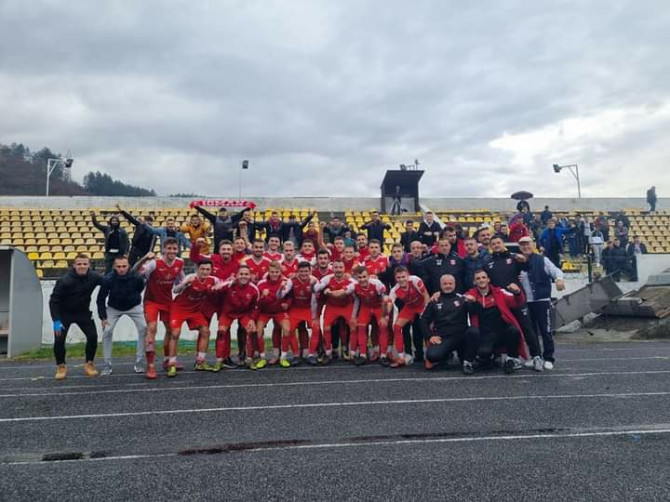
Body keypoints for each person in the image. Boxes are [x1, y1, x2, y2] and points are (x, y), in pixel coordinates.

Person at [134, 238, 185, 379]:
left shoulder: (180, 263)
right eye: (169, 248)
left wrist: (183, 287)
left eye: (174, 248)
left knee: (172, 330)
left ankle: (167, 360)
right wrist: (144, 258)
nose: (172, 251)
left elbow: (181, 281)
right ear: (163, 250)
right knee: (152, 329)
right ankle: (150, 366)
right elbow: (135, 271)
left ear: (177, 250)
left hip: (168, 301)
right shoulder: (154, 263)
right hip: (152, 302)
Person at [49, 254, 103, 380]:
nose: (82, 266)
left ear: (89, 265)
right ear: (74, 265)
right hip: (64, 314)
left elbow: (109, 282)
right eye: (79, 264)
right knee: (59, 340)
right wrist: (56, 321)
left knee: (93, 336)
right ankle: (61, 366)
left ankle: (89, 364)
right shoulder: (64, 280)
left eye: (85, 264)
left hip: (83, 313)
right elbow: (53, 301)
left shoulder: (94, 277)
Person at [465, 269, 525, 374]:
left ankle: (510, 359)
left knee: (513, 330)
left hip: (500, 332)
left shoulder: (499, 292)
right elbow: (457, 300)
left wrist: (517, 292)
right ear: (474, 282)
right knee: (484, 352)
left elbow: (517, 302)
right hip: (484, 335)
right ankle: (482, 358)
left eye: (483, 277)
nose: (481, 280)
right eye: (478, 278)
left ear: (488, 279)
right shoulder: (469, 295)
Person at [518, 236, 565, 370]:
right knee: (530, 332)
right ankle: (535, 356)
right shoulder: (517, 262)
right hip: (525, 302)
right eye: (523, 245)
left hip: (542, 301)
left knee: (546, 330)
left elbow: (555, 271)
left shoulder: (542, 259)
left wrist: (559, 279)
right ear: (520, 247)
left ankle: (548, 358)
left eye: (528, 244)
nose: (526, 247)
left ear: (533, 245)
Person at [168, 259, 222, 377]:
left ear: (211, 270)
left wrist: (225, 285)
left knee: (205, 331)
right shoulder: (190, 278)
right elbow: (175, 290)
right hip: (179, 309)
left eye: (207, 269)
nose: (205, 272)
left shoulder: (214, 280)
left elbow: (222, 286)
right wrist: (185, 284)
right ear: (197, 269)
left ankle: (200, 362)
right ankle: (171, 363)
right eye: (202, 269)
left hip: (194, 311)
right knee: (175, 333)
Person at [96, 255, 147, 376]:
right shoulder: (108, 279)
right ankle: (107, 364)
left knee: (144, 328)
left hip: (134, 306)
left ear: (128, 266)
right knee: (107, 331)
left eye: (124, 266)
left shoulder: (137, 278)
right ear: (114, 266)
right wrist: (103, 317)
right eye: (118, 266)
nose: (121, 269)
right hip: (114, 307)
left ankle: (139, 362)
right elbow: (100, 298)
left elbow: (140, 288)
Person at [420, 274, 476, 373]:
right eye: (445, 284)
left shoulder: (462, 299)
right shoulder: (434, 300)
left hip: (461, 336)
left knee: (474, 332)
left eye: (450, 283)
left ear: (454, 284)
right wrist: (430, 336)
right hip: (444, 337)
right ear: (440, 285)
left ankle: (467, 361)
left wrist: (474, 302)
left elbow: (476, 311)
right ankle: (445, 355)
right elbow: (423, 320)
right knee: (432, 356)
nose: (448, 286)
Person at [216, 266, 260, 370]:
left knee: (252, 330)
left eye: (246, 274)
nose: (243, 276)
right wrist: (226, 284)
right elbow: (216, 291)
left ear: (250, 276)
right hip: (227, 313)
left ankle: (249, 359)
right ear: (236, 275)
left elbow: (256, 306)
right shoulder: (229, 285)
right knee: (221, 332)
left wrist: (252, 319)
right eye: (241, 274)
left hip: (244, 313)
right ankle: (219, 360)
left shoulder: (254, 289)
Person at [314, 259, 356, 364]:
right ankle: (328, 353)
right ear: (332, 269)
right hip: (332, 306)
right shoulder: (327, 279)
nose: (338, 270)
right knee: (326, 327)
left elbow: (341, 294)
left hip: (346, 306)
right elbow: (315, 288)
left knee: (353, 327)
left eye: (340, 267)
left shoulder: (350, 280)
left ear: (344, 269)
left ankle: (350, 351)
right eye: (336, 267)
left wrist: (328, 292)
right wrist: (314, 282)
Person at [386, 267, 430, 368]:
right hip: (409, 307)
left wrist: (426, 313)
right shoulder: (394, 290)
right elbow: (389, 306)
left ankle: (429, 357)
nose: (401, 280)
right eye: (398, 277)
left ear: (408, 275)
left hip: (421, 305)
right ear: (395, 278)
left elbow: (426, 295)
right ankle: (401, 357)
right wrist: (385, 310)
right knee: (396, 327)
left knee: (426, 327)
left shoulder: (415, 280)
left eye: (403, 277)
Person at [278, 262, 321, 364]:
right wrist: (281, 289)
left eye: (306, 271)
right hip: (295, 309)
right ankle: (296, 355)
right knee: (290, 330)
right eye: (301, 271)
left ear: (310, 271)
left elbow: (317, 299)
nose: (303, 274)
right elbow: (280, 295)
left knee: (316, 329)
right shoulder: (292, 280)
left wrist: (315, 316)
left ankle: (311, 355)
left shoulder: (314, 281)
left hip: (309, 309)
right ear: (297, 272)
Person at [256, 262, 293, 368]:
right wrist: (263, 297)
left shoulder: (285, 282)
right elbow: (257, 302)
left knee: (287, 330)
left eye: (276, 272)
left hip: (279, 311)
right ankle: (262, 358)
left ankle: (283, 357)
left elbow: (290, 296)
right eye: (272, 272)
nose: (274, 274)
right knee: (258, 331)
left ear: (280, 272)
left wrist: (287, 304)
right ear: (268, 272)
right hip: (265, 312)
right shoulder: (261, 283)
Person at [350, 266, 388, 366]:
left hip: (378, 307)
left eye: (364, 277)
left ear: (368, 276)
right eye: (360, 277)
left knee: (383, 327)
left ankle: (383, 355)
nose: (362, 279)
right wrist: (353, 316)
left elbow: (385, 300)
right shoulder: (354, 286)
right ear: (356, 277)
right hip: (365, 307)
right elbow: (356, 300)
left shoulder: (377, 284)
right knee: (361, 327)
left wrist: (385, 315)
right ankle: (362, 355)